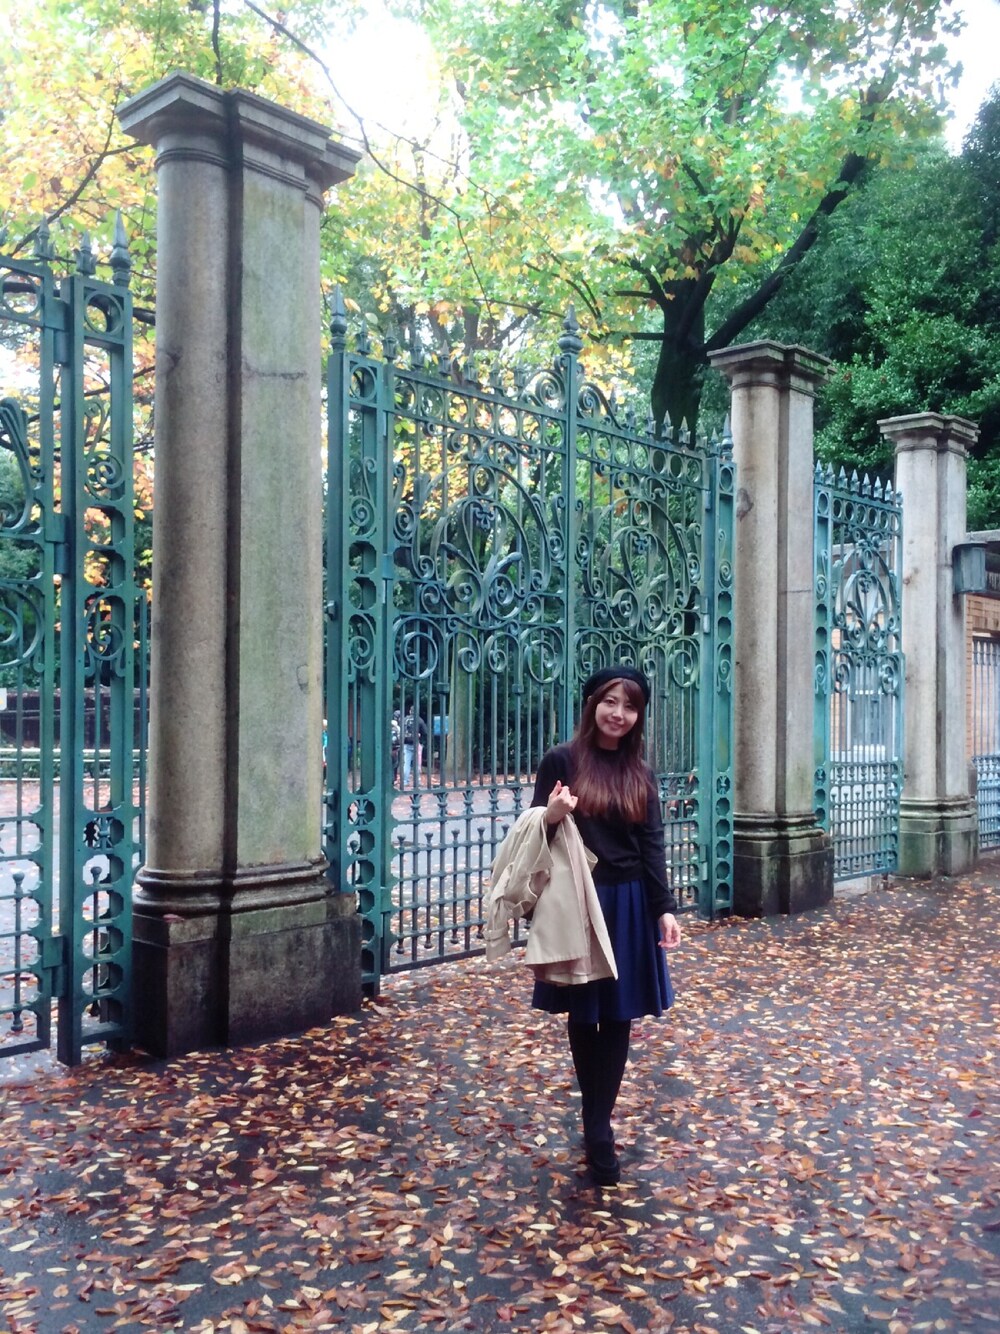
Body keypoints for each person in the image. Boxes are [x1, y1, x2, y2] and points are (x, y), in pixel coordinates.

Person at [530, 665, 682, 1186]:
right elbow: (532, 836)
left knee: (618, 1016)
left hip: (629, 902)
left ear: (639, 715)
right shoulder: (562, 760)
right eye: (611, 702)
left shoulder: (641, 773)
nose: (619, 714)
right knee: (584, 1010)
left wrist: (664, 908)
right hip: (578, 902)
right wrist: (552, 813)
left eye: (630, 706)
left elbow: (651, 844)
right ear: (593, 703)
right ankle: (595, 1120)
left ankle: (598, 1126)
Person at [401, 708, 427, 786]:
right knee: (417, 763)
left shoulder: (405, 719)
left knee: (406, 763)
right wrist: (422, 741)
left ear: (410, 711)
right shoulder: (419, 720)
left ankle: (405, 781)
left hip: (406, 743)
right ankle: (417, 781)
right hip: (416, 744)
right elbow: (425, 732)